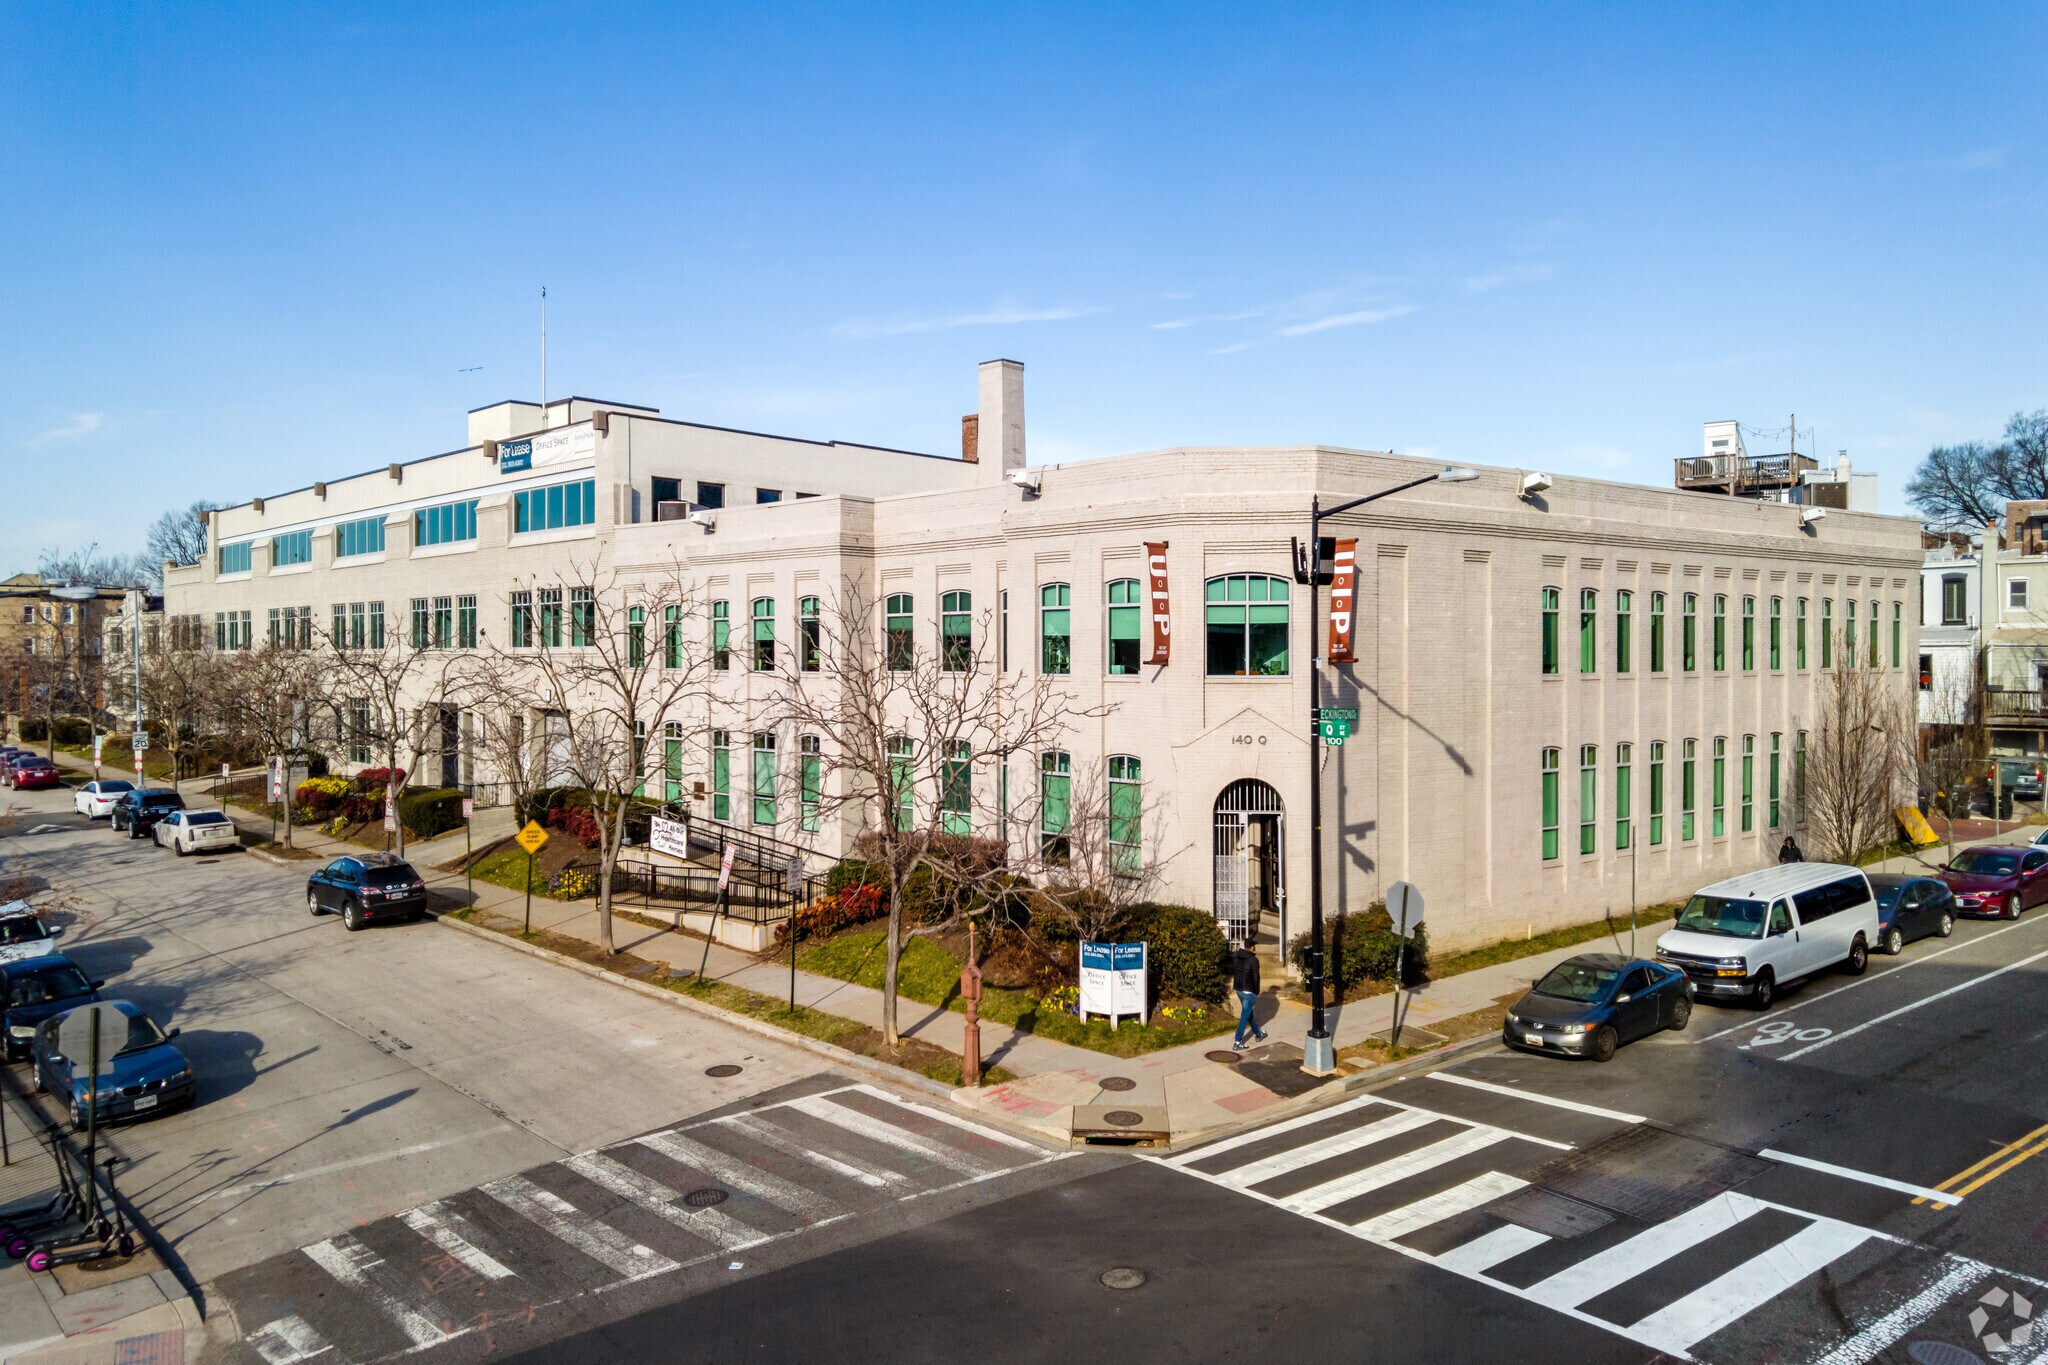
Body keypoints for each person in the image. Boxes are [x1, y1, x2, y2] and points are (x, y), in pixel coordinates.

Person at [1231, 939, 1266, 1050]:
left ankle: (1258, 1033)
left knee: (1248, 1013)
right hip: (1249, 992)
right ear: (1251, 947)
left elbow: (1235, 971)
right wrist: (1256, 992)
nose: (1255, 947)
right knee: (1244, 1017)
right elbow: (1256, 978)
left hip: (1238, 990)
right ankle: (1238, 1041)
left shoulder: (1236, 957)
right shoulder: (1253, 960)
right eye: (1254, 945)